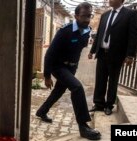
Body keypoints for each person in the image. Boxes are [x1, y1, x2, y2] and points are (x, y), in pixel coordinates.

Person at [36, 2, 101, 140]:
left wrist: (74, 67)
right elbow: (49, 55)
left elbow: (77, 50)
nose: (87, 19)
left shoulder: (87, 31)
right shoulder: (65, 31)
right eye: (84, 16)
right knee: (77, 87)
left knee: (58, 91)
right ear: (76, 16)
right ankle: (83, 126)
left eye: (89, 16)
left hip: (71, 67)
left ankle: (42, 111)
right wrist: (47, 76)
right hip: (58, 66)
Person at [88, 0, 137, 115]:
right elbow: (100, 34)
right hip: (102, 53)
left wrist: (130, 55)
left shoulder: (130, 14)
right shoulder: (105, 15)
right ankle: (98, 103)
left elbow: (133, 36)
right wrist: (92, 50)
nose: (109, 0)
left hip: (117, 54)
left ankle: (109, 105)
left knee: (113, 80)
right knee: (100, 79)